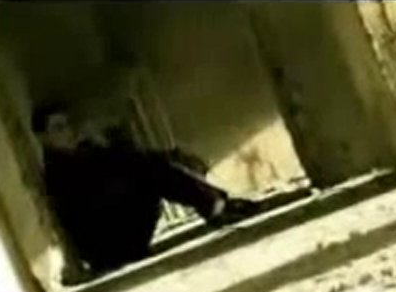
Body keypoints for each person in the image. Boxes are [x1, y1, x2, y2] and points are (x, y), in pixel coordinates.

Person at [32, 103, 261, 281]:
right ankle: (215, 206)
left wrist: (167, 158)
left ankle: (214, 205)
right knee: (147, 169)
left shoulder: (82, 154)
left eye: (68, 125)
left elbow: (120, 165)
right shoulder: (60, 170)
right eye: (58, 128)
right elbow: (96, 199)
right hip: (108, 248)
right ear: (44, 138)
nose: (68, 132)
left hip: (119, 232)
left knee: (147, 166)